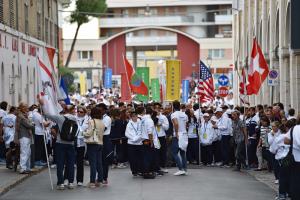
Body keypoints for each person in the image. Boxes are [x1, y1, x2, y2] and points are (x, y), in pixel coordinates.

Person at [39, 96, 77, 190]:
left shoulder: (60, 118)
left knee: (60, 163)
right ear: (72, 111)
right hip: (71, 143)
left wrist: (42, 104)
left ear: (64, 110)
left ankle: (61, 183)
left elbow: (47, 114)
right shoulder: (74, 119)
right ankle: (71, 182)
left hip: (61, 143)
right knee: (70, 163)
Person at [84, 107, 105, 188]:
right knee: (99, 163)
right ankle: (100, 180)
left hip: (92, 144)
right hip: (100, 143)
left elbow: (89, 133)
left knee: (93, 163)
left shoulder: (91, 121)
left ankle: (92, 182)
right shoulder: (102, 122)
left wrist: (82, 133)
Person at [269, 122, 290, 200]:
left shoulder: (279, 138)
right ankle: (289, 192)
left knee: (282, 177)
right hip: (290, 158)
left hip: (281, 158)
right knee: (289, 176)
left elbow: (273, 150)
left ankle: (282, 194)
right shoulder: (290, 137)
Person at [14, 103, 34, 174]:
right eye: (26, 107)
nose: (27, 108)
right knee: (24, 152)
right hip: (23, 136)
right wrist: (32, 123)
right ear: (22, 108)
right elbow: (29, 125)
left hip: (26, 135)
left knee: (28, 152)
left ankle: (27, 167)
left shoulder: (23, 116)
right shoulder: (21, 116)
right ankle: (22, 168)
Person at [284, 115, 300, 200]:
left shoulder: (294, 128)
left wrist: (293, 143)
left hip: (295, 157)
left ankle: (294, 195)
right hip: (296, 156)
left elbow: (286, 140)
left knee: (295, 178)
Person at [171, 101, 188, 176]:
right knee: (182, 153)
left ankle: (180, 169)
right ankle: (185, 169)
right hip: (184, 134)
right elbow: (185, 124)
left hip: (177, 134)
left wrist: (177, 133)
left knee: (174, 152)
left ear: (173, 106)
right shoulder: (184, 115)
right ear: (180, 106)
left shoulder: (174, 114)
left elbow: (176, 123)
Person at [97, 103, 113, 186]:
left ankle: (104, 178)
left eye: (100, 109)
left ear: (104, 110)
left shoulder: (107, 118)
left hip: (105, 138)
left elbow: (103, 129)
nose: (99, 111)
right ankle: (99, 177)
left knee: (104, 160)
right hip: (98, 138)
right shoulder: (98, 117)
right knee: (98, 160)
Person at [140, 106, 157, 179]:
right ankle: (147, 172)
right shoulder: (149, 120)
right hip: (148, 140)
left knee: (145, 156)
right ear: (152, 113)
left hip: (143, 139)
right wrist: (152, 141)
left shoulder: (143, 120)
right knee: (148, 157)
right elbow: (150, 132)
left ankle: (145, 171)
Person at [125, 111, 143, 176]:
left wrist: (137, 138)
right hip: (131, 143)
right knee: (132, 158)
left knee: (140, 158)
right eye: (133, 116)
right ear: (131, 117)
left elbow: (141, 132)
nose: (134, 118)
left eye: (135, 116)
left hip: (139, 143)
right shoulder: (129, 124)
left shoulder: (140, 123)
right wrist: (133, 138)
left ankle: (140, 170)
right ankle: (134, 171)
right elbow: (127, 133)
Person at [75, 106, 89, 186]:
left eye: (81, 112)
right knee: (69, 161)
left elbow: (85, 129)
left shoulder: (88, 120)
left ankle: (79, 180)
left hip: (82, 142)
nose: (79, 113)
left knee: (80, 162)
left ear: (84, 113)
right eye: (78, 111)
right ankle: (67, 179)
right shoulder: (74, 118)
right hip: (73, 141)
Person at [154, 103, 169, 172]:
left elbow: (167, 127)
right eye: (155, 108)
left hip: (162, 136)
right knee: (156, 152)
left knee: (163, 152)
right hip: (154, 137)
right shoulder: (152, 117)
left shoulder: (163, 117)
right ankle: (156, 167)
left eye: (158, 108)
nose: (157, 109)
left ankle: (163, 166)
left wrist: (161, 124)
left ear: (160, 109)